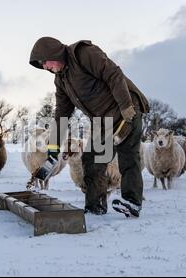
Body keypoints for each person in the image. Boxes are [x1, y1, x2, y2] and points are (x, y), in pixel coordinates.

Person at [29, 37, 150, 218]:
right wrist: (53, 148)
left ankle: (132, 202)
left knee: (128, 155)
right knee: (92, 158)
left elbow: (113, 74)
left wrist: (126, 106)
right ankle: (95, 206)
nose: (45, 67)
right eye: (42, 65)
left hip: (126, 109)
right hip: (103, 121)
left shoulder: (83, 54)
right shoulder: (61, 80)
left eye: (45, 62)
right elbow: (61, 114)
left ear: (53, 53)